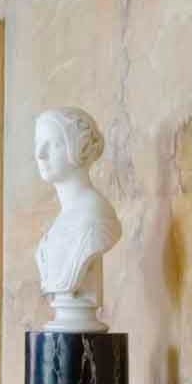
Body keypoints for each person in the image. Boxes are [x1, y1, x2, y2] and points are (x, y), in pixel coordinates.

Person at [31, 107, 120, 332]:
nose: (40, 154)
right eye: (38, 143)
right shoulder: (60, 224)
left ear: (78, 149)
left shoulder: (96, 217)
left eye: (53, 144)